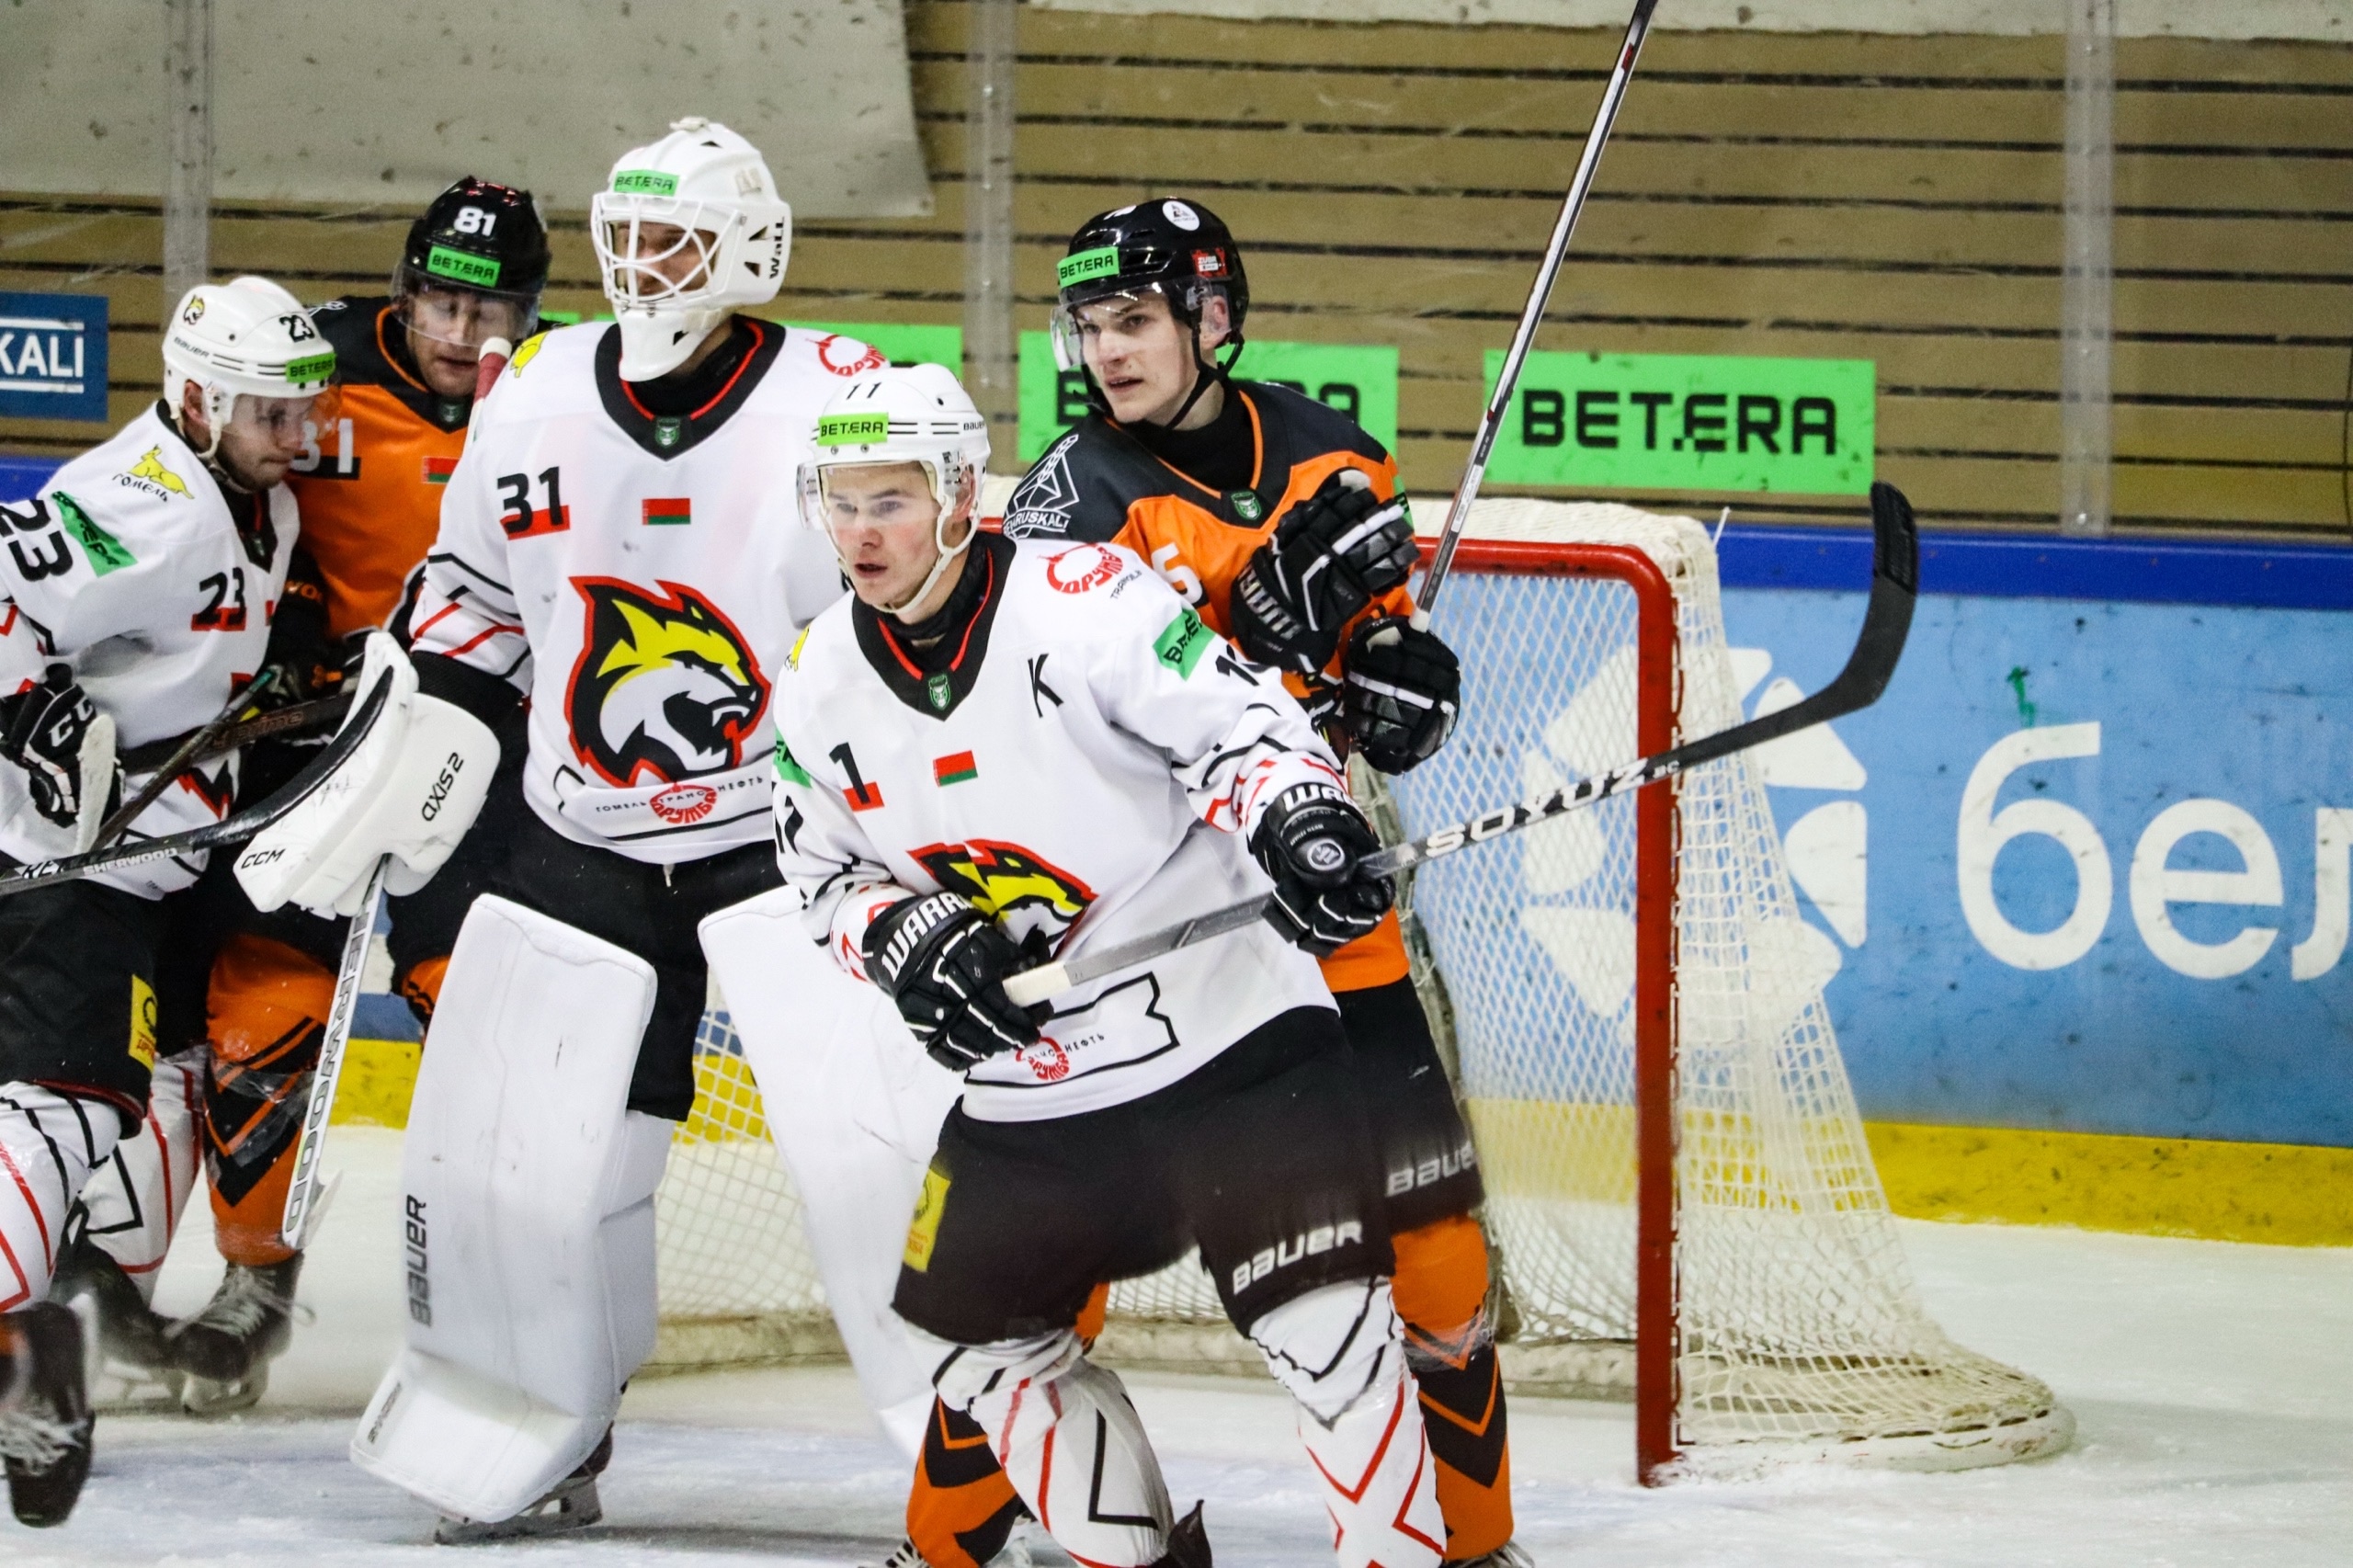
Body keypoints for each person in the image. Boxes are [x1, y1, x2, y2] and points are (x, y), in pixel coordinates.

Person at [236, 117, 886, 1542]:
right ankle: (548, 1434)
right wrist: (399, 754)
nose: (647, 265)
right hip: (581, 834)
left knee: (873, 1154)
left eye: (679, 240)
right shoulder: (533, 388)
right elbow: (468, 600)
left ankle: (969, 1447)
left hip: (787, 840)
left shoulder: (845, 395)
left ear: (752, 250)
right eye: (629, 237)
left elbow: (917, 600)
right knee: (540, 1163)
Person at [772, 362, 1448, 1568]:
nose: (860, 533)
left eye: (890, 500)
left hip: (1231, 1034)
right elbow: (824, 881)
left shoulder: (1086, 595)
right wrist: (905, 937)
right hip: (1031, 1081)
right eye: (841, 501)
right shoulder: (816, 675)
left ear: (959, 493)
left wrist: (1300, 816)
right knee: (972, 1346)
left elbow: (1244, 728)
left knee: (1328, 1328)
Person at [972, 198, 1514, 1568]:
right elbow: (1079, 734)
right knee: (1049, 1258)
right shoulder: (1066, 504)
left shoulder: (1334, 456)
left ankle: (1470, 1541)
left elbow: (1371, 666)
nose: (1106, 351)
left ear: (1211, 317)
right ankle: (957, 1535)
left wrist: (1400, 693)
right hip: (1145, 928)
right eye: (1089, 326)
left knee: (1433, 1234)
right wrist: (1260, 639)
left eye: (1134, 319)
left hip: (1321, 900)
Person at [71, 176, 556, 1418]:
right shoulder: (314, 363)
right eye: (441, 303)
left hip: (485, 752)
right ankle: (256, 1281)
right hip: (311, 747)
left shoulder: (562, 393)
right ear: (404, 292)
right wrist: (277, 638)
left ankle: (515, 1297)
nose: (462, 333)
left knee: (480, 1007)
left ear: (531, 312)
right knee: (263, 997)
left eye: (491, 310)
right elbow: (200, 480)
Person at [0, 275, 334, 1524]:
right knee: (66, 1104)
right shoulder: (143, 504)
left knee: (134, 1086)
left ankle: (73, 1306)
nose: (294, 435)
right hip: (61, 860)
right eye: (267, 413)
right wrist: (24, 710)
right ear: (196, 400)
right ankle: (20, 1355)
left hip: (146, 863)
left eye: (302, 410)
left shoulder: (259, 502)